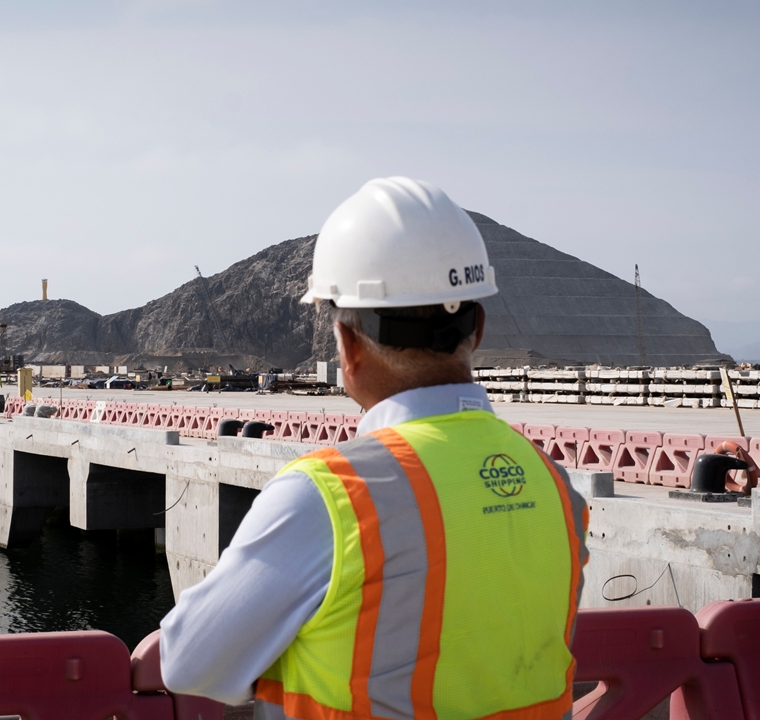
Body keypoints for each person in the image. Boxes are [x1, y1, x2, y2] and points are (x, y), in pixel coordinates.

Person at [159, 178, 589, 720]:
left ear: (347, 344)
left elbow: (189, 664)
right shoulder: (555, 485)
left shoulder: (330, 498)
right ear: (477, 329)